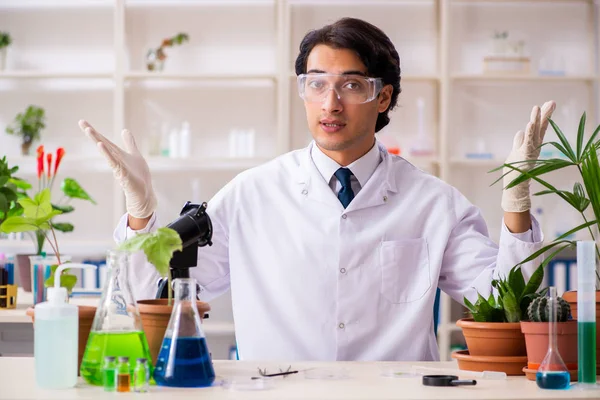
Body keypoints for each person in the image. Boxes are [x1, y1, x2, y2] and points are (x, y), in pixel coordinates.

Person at [79, 17, 555, 361]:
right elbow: (156, 295)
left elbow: (506, 307)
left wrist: (516, 205)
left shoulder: (435, 203)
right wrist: (140, 213)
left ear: (382, 96)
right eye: (315, 84)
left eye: (350, 85)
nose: (330, 103)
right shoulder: (251, 194)